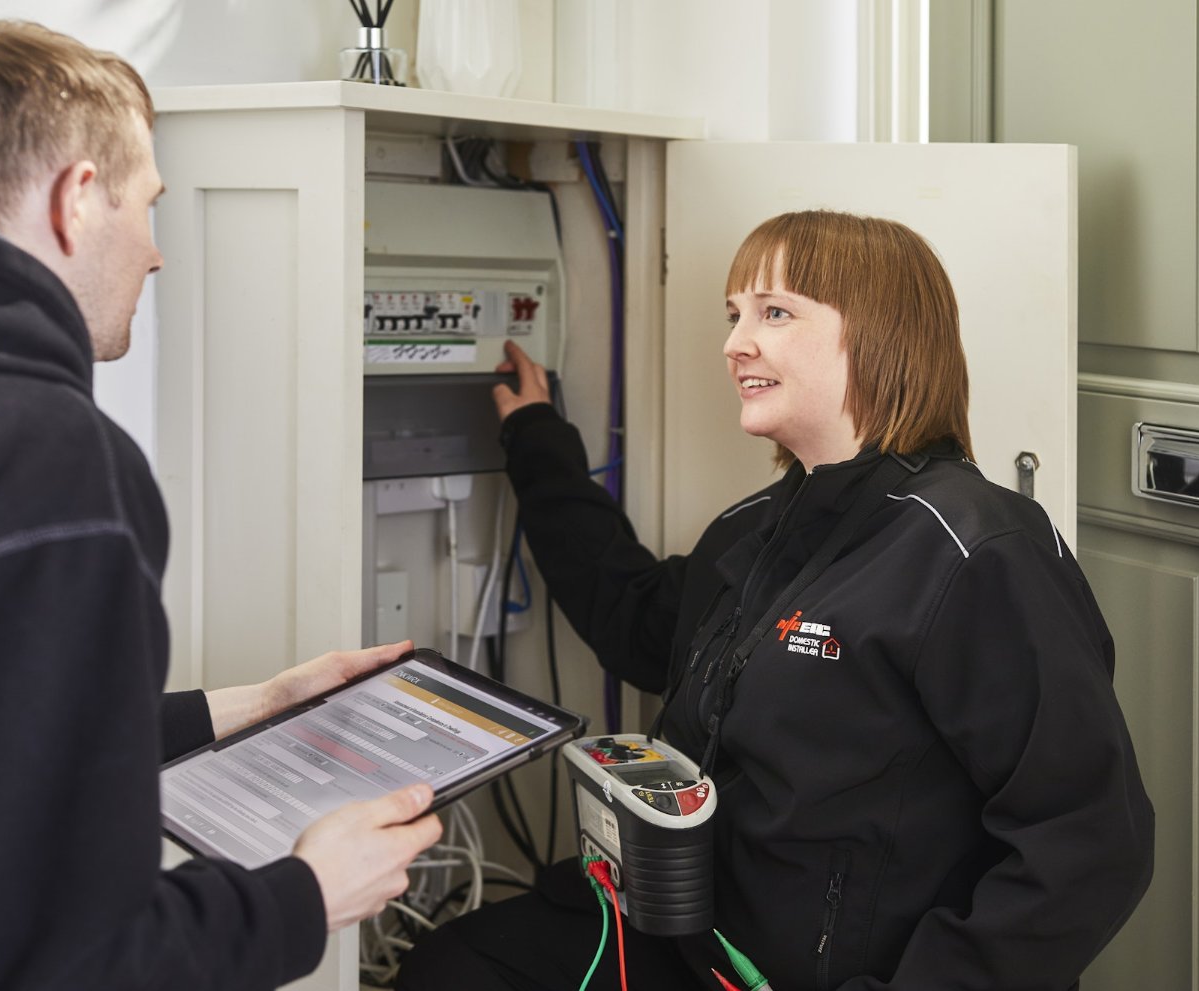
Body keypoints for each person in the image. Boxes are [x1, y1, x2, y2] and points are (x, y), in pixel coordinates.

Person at [0, 19, 441, 991]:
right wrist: (305, 894)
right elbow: (38, 961)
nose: (158, 253)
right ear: (78, 199)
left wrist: (249, 708)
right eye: (149, 207)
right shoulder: (35, 461)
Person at [397, 210, 1155, 990]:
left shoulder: (977, 550)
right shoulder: (753, 529)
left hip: (842, 972)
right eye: (735, 314)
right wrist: (536, 439)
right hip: (689, 936)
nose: (735, 343)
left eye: (775, 312)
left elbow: (1089, 842)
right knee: (452, 968)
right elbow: (633, 617)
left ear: (879, 334)